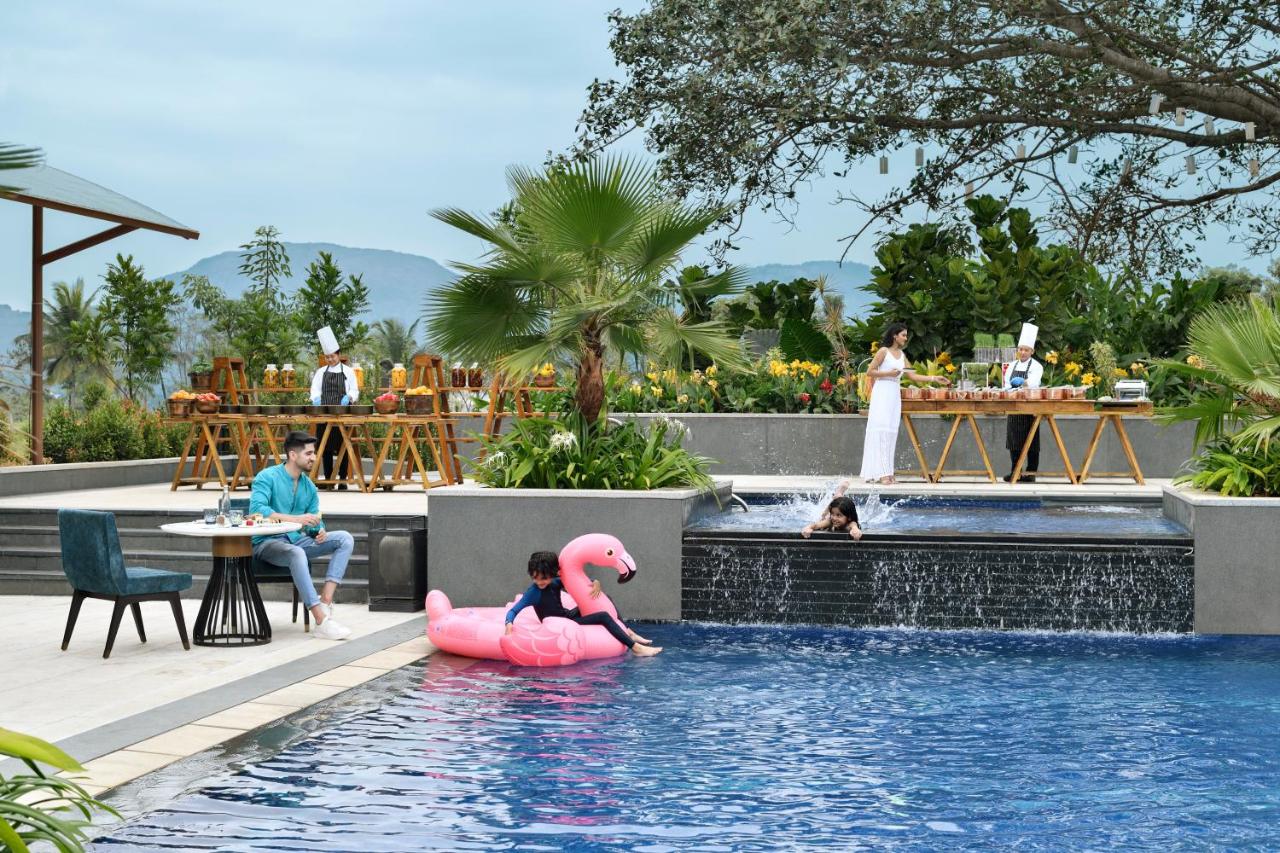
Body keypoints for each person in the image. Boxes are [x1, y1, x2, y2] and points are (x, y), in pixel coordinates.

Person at [249, 430, 355, 640]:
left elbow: (314, 519)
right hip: (267, 543)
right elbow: (257, 511)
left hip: (297, 540)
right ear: (292, 455)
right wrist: (297, 520)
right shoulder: (267, 477)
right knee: (296, 553)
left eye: (313, 453)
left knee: (344, 538)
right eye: (308, 453)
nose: (313, 458)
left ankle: (325, 601)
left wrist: (319, 530)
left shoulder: (309, 486)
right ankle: (321, 621)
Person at [504, 551, 662, 657]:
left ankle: (627, 631)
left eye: (544, 578)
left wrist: (595, 582)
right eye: (535, 578)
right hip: (562, 624)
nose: (539, 582)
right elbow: (514, 611)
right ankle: (635, 648)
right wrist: (509, 623)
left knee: (606, 598)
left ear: (553, 574)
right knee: (603, 616)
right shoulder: (533, 592)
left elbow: (579, 582)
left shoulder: (555, 582)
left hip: (567, 616)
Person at [859, 323, 950, 484]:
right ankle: (882, 474)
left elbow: (912, 376)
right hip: (882, 393)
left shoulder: (901, 355)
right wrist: (889, 373)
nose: (906, 338)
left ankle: (888, 472)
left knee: (891, 432)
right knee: (881, 431)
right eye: (903, 335)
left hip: (894, 395)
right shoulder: (883, 351)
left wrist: (935, 378)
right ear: (895, 336)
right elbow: (869, 372)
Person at [309, 325, 360, 489]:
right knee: (325, 447)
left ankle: (343, 479)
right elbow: (314, 389)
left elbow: (354, 390)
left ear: (338, 355)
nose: (330, 360)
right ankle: (328, 479)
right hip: (324, 414)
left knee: (343, 447)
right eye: (327, 357)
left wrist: (349, 397)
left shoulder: (348, 371)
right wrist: (316, 399)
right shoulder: (320, 372)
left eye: (332, 356)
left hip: (342, 414)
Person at [1002, 322, 1045, 483]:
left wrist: (1023, 382)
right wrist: (1010, 389)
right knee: (1014, 440)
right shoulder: (1011, 366)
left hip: (1030, 405)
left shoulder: (1037, 366)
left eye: (1026, 350)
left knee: (1032, 440)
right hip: (1014, 405)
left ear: (1032, 351)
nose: (1023, 352)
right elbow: (1006, 384)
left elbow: (1034, 382)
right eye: (1020, 349)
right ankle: (1015, 471)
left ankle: (1030, 472)